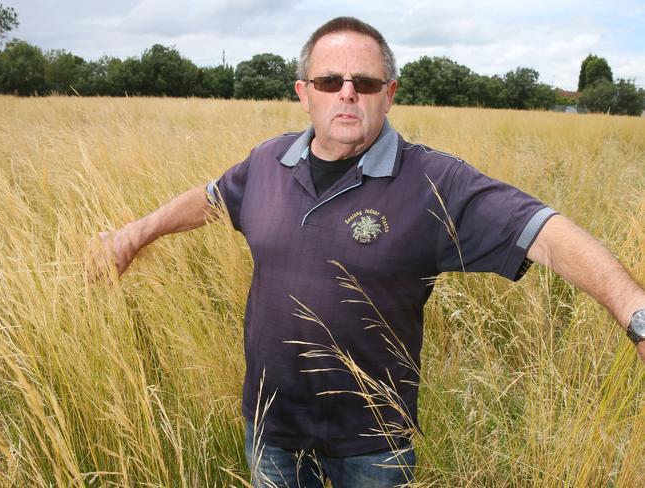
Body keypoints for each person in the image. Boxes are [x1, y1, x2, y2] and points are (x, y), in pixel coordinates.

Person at [88, 16, 645, 488]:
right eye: (330, 80)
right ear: (303, 92)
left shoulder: (434, 180)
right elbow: (211, 198)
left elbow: (542, 229)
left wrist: (633, 311)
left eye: (365, 81)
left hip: (372, 446)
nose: (348, 92)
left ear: (390, 93)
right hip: (270, 429)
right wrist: (134, 235)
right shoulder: (267, 163)